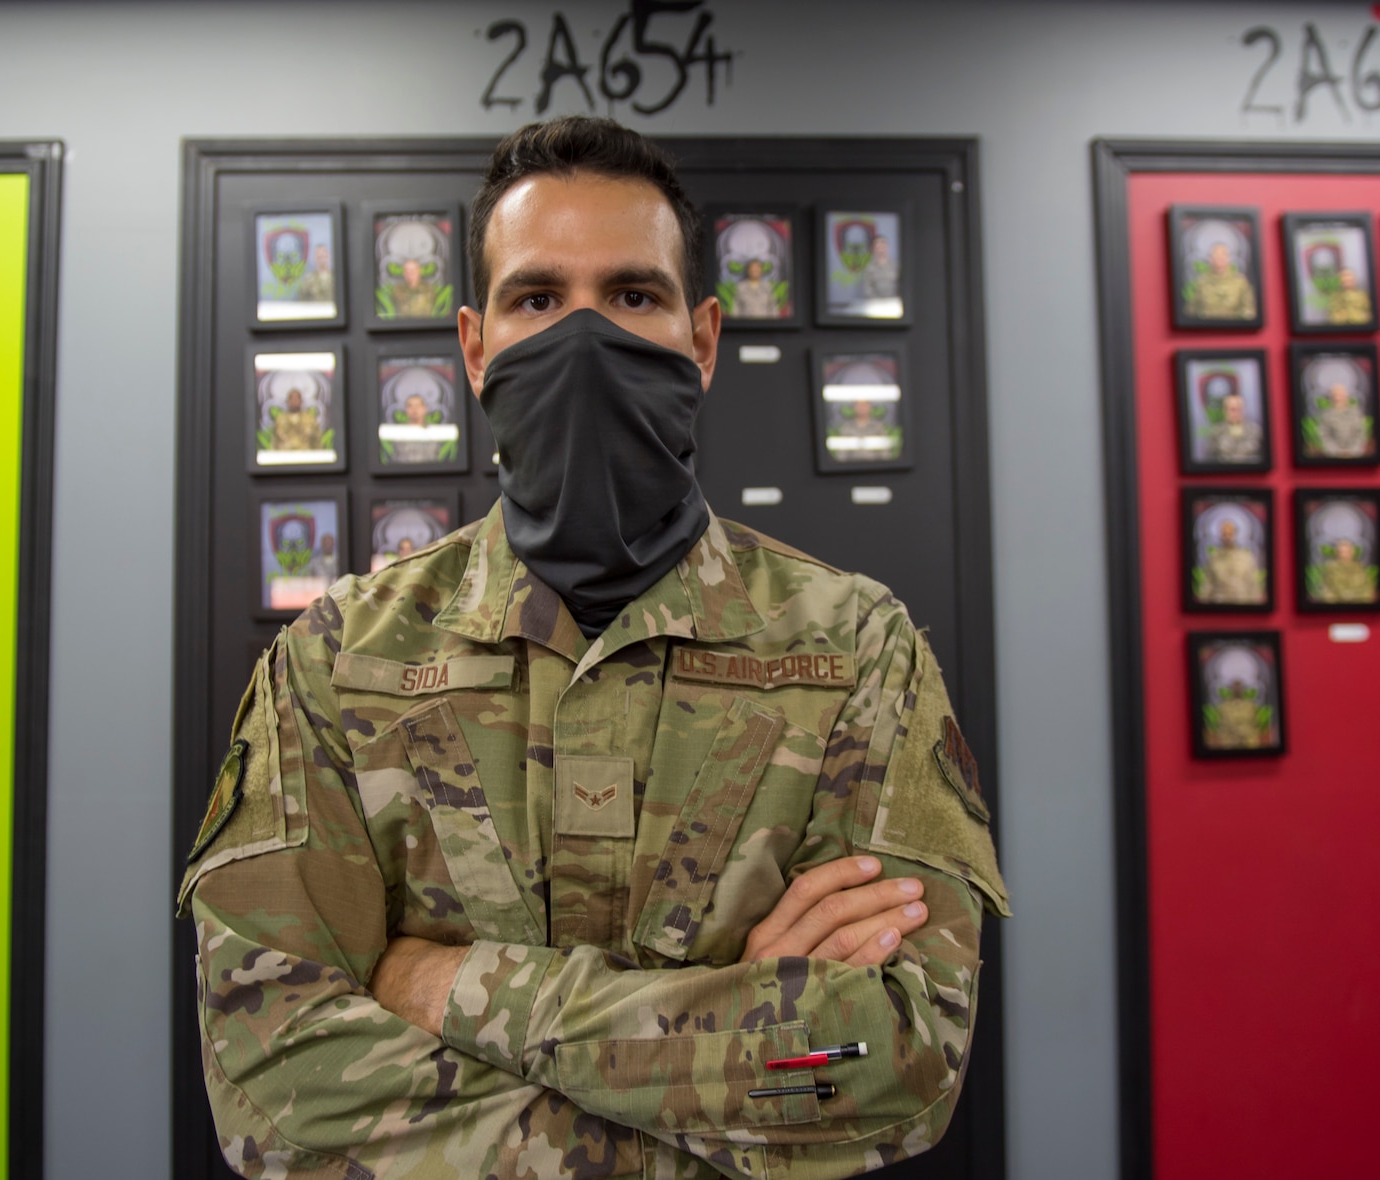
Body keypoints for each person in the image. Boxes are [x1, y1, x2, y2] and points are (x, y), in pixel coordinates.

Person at [179, 116, 1006, 1179]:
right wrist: (723, 1058)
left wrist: (452, 988)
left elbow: (890, 1056)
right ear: (475, 349)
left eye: (629, 295)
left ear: (701, 340)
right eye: (537, 298)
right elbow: (276, 1082)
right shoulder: (336, 660)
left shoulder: (854, 651)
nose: (583, 338)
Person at [1188, 240, 1255, 321]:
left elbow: (1249, 310)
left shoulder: (1240, 282)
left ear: (1228, 258)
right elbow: (1191, 311)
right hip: (1207, 329)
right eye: (1215, 255)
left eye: (1222, 255)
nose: (1219, 259)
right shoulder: (1201, 282)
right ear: (1210, 259)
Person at [1203, 518, 1263, 604]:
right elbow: (1207, 586)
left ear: (1235, 535)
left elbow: (1253, 586)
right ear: (1220, 535)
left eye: (1230, 534)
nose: (1227, 537)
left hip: (1242, 606)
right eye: (1224, 534)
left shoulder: (1246, 558)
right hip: (1219, 607)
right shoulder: (1213, 559)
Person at [1314, 382, 1371, 458]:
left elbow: (1360, 434)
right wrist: (1336, 451)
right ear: (1331, 397)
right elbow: (1324, 435)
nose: (1338, 398)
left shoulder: (1356, 412)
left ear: (1346, 396)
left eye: (1340, 395)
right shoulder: (1325, 415)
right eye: (1335, 395)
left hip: (1355, 455)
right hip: (1333, 456)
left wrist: (1352, 451)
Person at [1206, 390, 1262, 464]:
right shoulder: (1216, 432)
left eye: (1239, 409)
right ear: (1225, 410)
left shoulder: (1256, 430)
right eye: (1232, 409)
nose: (1236, 413)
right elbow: (1210, 458)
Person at [1208, 679, 1265, 749]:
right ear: (1231, 688)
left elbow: (1255, 727)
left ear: (1243, 688)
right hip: (1230, 744)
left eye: (1239, 686)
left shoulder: (1251, 706)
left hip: (1249, 744)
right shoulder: (1224, 707)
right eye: (1235, 686)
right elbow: (1222, 728)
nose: (1237, 688)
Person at [1315, 538, 1375, 604]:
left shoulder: (1359, 567)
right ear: (1337, 553)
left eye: (1347, 551)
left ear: (1352, 552)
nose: (1344, 554)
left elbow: (1367, 587)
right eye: (1341, 552)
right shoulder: (1330, 568)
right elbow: (1325, 588)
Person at [269, 385, 322, 453]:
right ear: (288, 401)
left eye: (297, 398)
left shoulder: (310, 419)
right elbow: (275, 441)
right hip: (284, 457)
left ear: (301, 401)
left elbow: (317, 441)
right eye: (292, 398)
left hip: (305, 456)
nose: (294, 401)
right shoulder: (280, 420)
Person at [860, 234, 899, 300]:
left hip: (894, 303)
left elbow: (901, 286)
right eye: (878, 246)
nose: (881, 248)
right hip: (875, 304)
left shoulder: (896, 266)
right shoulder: (869, 267)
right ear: (873, 248)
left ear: (887, 247)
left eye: (883, 245)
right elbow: (867, 289)